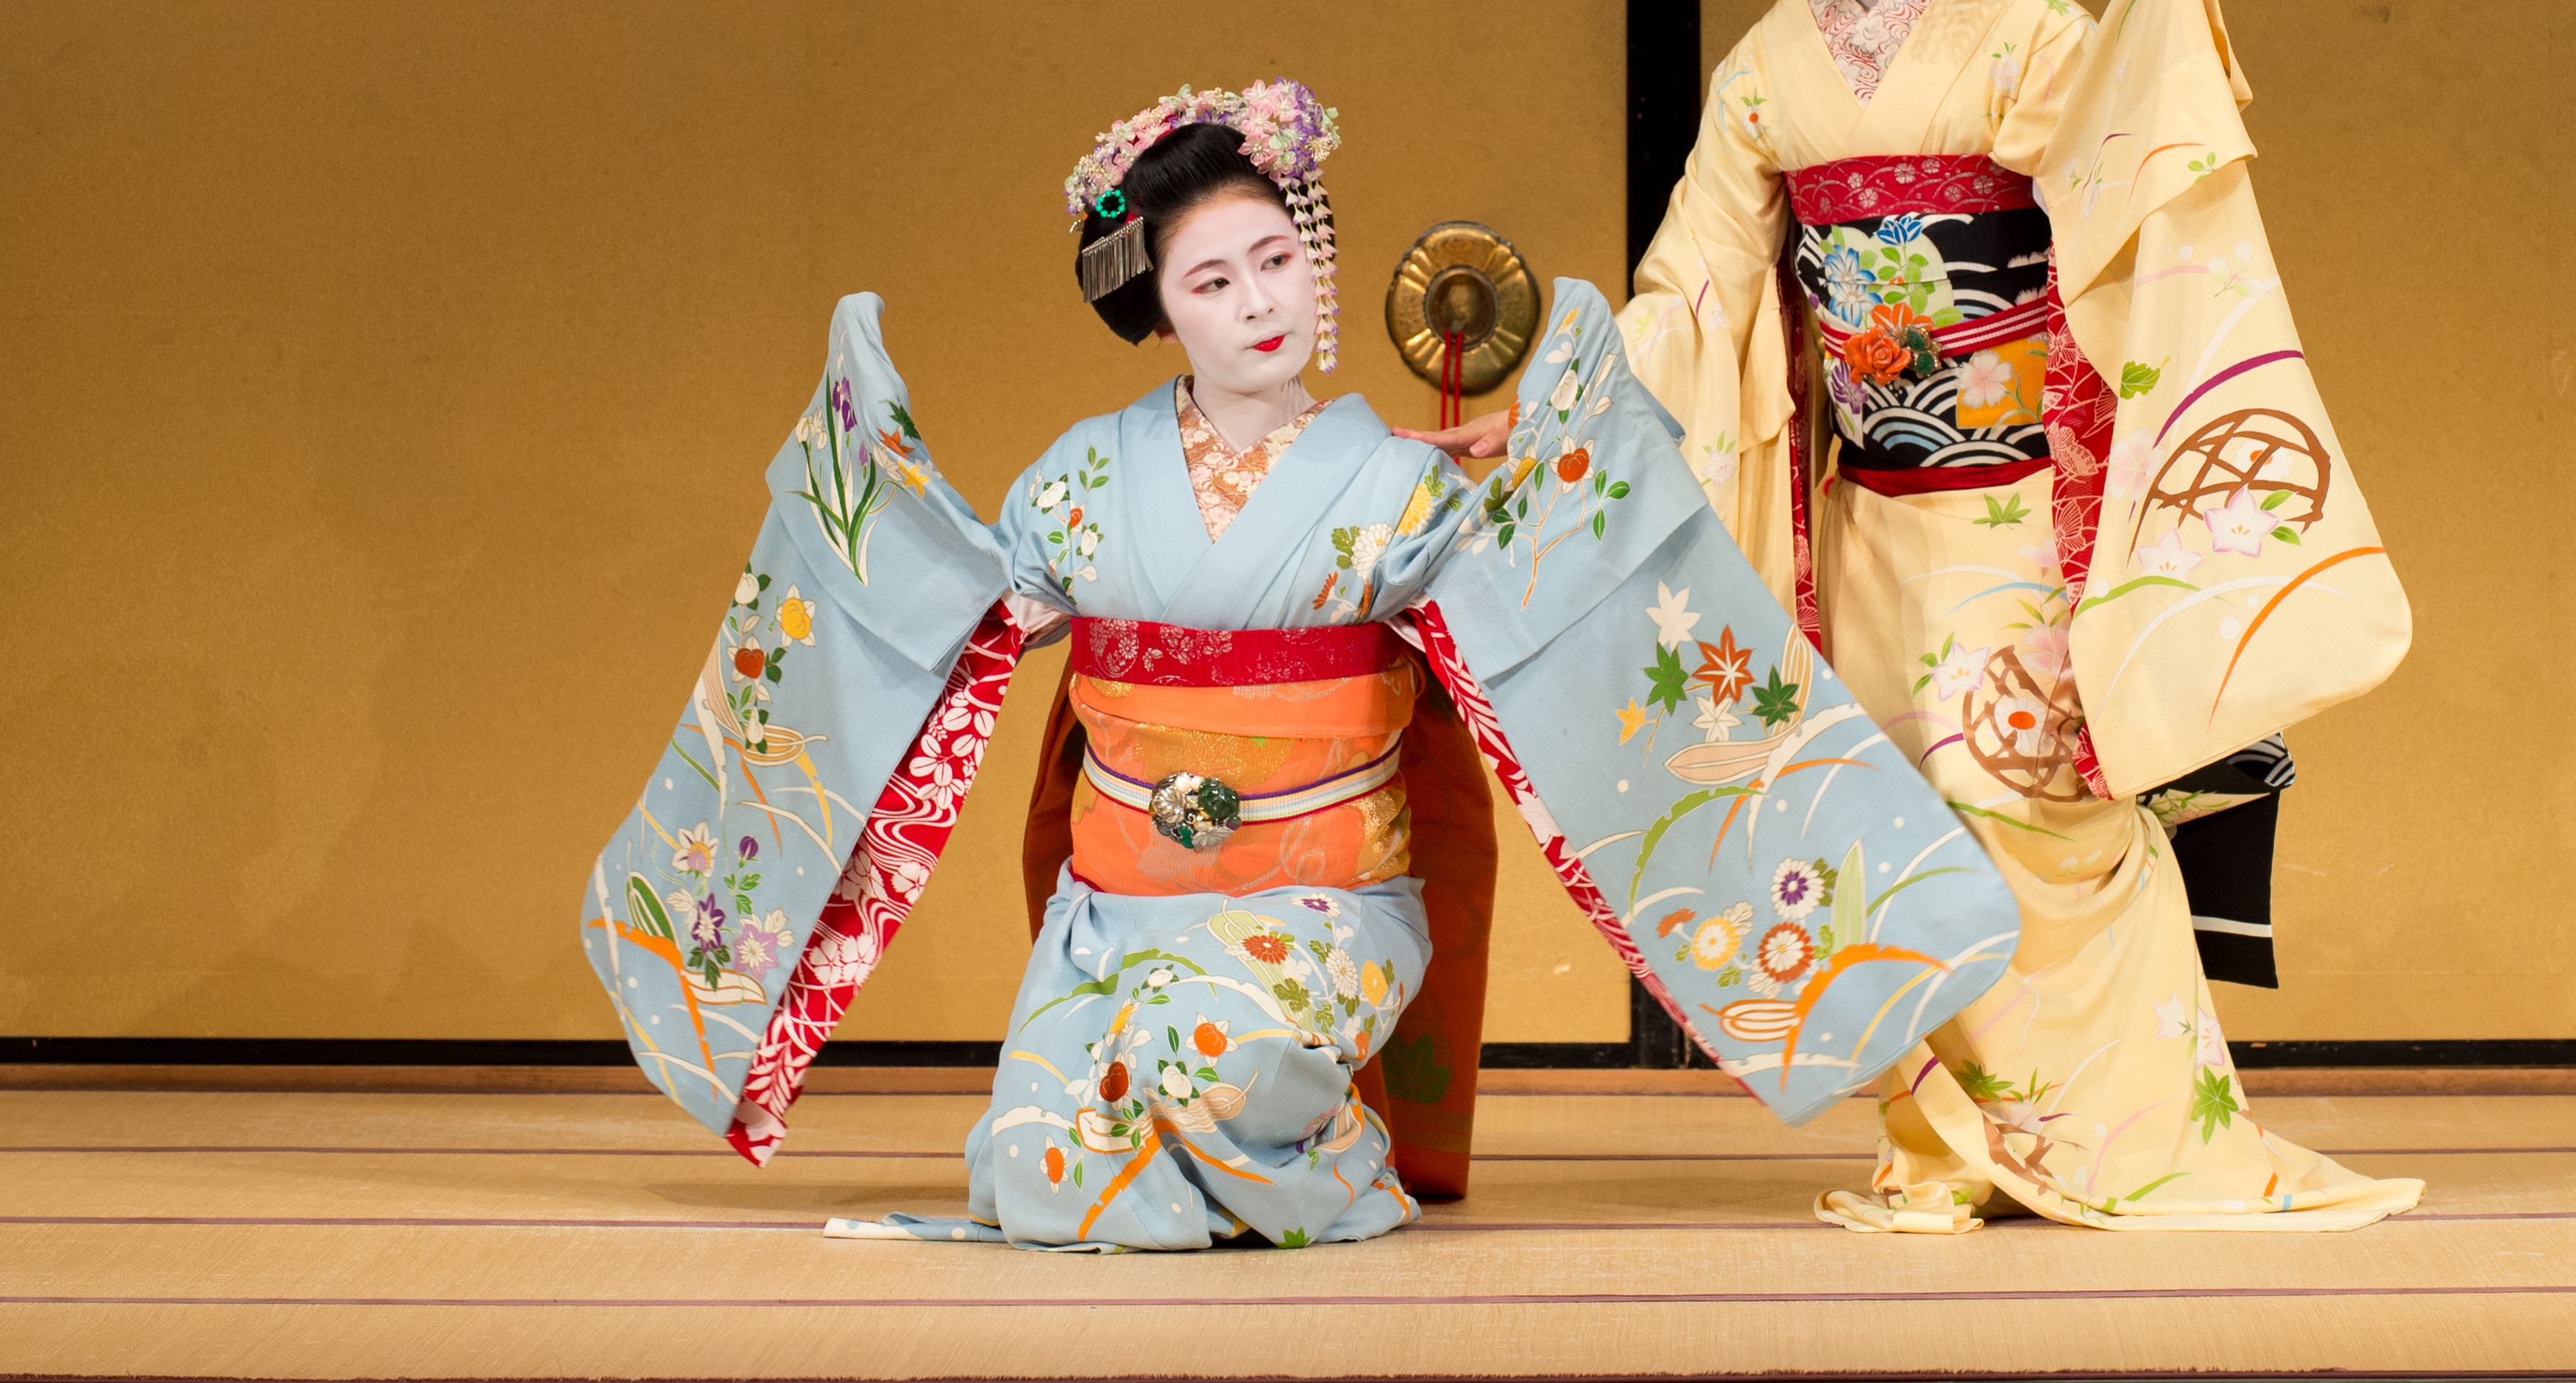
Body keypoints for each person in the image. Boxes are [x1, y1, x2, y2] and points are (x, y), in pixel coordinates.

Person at [583, 74, 2044, 1252]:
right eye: (1212, 280)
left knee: (1199, 1063)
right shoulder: (1083, 480)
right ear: (1158, 308)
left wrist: (1569, 454)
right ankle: (1233, 1151)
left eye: (1279, 258)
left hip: (1324, 905)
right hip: (1120, 915)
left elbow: (1553, 604)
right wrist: (871, 505)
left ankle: (1340, 1159)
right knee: (1029, 1167)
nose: (1259, 300)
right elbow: (967, 614)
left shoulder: (1392, 485)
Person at [1409, 0, 2422, 1235]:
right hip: (1869, 511)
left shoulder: (2018, 31)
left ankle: (2135, 1136)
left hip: (2009, 502)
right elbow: (1695, 288)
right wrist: (1551, 414)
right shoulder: (1768, 72)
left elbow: (2110, 225)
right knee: (1879, 802)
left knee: (2019, 792)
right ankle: (1951, 1145)